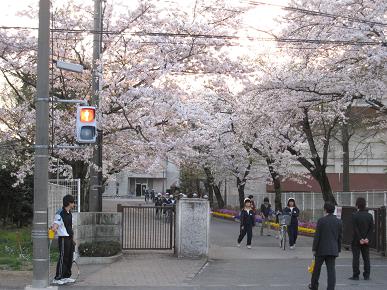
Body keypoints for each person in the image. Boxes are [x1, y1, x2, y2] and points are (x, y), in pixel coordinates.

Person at [309, 202, 342, 290]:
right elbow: (340, 237)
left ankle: (314, 286)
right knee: (331, 270)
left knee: (317, 269)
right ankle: (331, 288)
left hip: (321, 249)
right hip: (333, 249)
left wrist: (314, 248)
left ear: (325, 210)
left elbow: (317, 236)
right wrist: (338, 249)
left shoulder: (321, 220)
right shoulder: (339, 222)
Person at [50, 194, 76, 285]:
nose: (74, 204)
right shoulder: (60, 212)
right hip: (63, 239)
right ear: (69, 203)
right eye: (73, 202)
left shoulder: (70, 213)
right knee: (63, 258)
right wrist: (53, 228)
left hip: (69, 238)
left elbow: (70, 227)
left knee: (69, 258)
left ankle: (66, 276)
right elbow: (55, 225)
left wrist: (72, 239)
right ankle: (57, 278)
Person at [349, 197, 374, 281]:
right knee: (366, 258)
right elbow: (371, 229)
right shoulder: (369, 216)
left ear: (357, 205)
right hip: (366, 241)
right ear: (365, 205)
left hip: (356, 240)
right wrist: (367, 238)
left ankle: (356, 275)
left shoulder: (354, 215)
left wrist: (360, 238)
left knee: (356, 258)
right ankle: (367, 275)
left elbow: (355, 229)